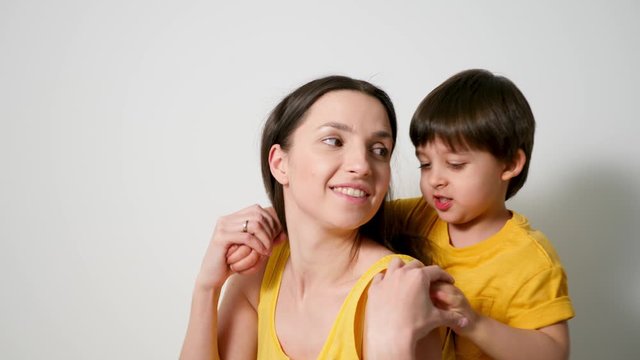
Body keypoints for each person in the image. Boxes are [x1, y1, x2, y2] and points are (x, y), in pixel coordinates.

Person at [179, 75, 466, 360]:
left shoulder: (401, 289)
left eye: (379, 150)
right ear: (280, 164)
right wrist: (207, 287)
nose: (362, 165)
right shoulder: (260, 273)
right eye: (334, 141)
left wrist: (389, 345)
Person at [387, 68, 575, 359]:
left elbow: (553, 352)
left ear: (510, 163)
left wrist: (472, 322)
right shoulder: (416, 216)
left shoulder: (530, 259)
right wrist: (287, 215)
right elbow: (353, 219)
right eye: (425, 164)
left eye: (456, 164)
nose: (435, 179)